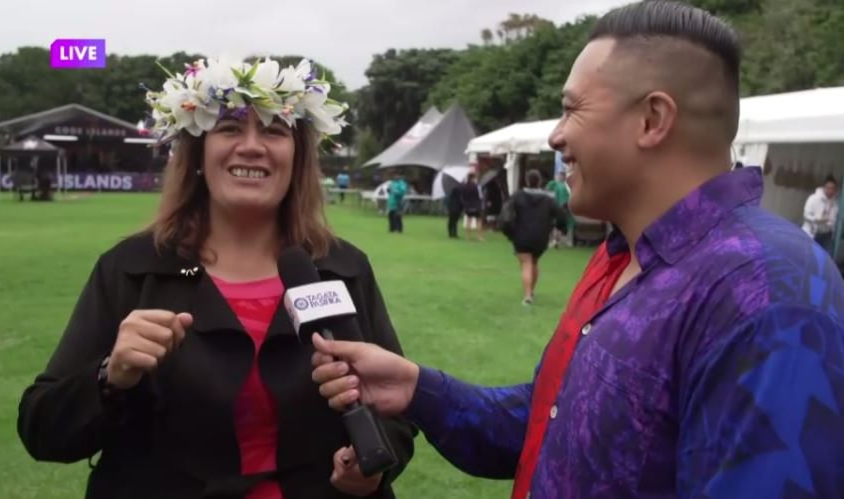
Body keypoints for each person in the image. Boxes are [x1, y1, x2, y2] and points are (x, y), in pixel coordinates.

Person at [309, 2, 844, 498]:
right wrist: (419, 388)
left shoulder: (766, 290)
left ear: (652, 120)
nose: (556, 137)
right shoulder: (620, 256)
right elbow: (554, 421)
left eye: (572, 110)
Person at [17, 56, 416, 499]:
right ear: (199, 154)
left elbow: (396, 411)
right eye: (229, 128)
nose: (251, 145)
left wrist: (371, 468)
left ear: (297, 157)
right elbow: (42, 429)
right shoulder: (130, 270)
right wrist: (111, 376)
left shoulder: (343, 268)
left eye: (273, 130)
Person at [502, 169, 569, 305]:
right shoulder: (548, 199)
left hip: (521, 235)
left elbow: (506, 215)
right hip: (540, 237)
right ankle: (531, 291)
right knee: (534, 262)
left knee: (526, 264)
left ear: (527, 181)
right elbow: (561, 214)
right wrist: (561, 228)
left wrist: (509, 231)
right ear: (539, 182)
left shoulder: (518, 196)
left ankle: (527, 296)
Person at [802, 175, 839, 255]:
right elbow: (806, 215)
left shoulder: (835, 204)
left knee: (824, 257)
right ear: (824, 187)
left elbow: (833, 220)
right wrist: (816, 220)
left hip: (826, 235)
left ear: (835, 190)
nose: (830, 190)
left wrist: (828, 223)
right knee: (809, 255)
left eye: (832, 188)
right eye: (828, 187)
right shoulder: (813, 198)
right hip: (812, 233)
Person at [545, 171, 574, 247]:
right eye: (559, 176)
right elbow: (547, 188)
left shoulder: (567, 186)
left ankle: (566, 241)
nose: (560, 177)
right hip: (557, 207)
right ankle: (555, 241)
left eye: (561, 176)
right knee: (555, 224)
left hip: (565, 207)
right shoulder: (555, 184)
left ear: (564, 177)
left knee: (567, 224)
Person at [460, 172, 483, 241]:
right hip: (477, 205)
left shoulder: (465, 186)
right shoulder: (477, 186)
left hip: (468, 206)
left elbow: (463, 196)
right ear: (473, 178)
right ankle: (479, 237)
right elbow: (480, 196)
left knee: (468, 221)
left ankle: (468, 237)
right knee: (478, 221)